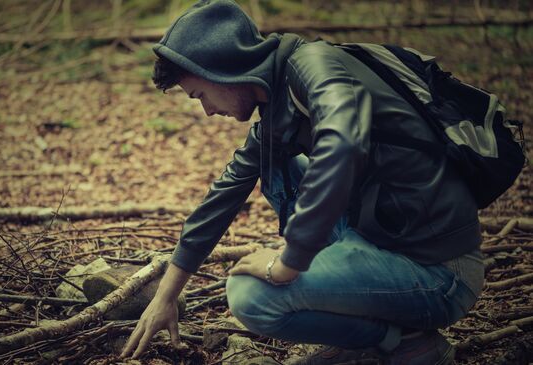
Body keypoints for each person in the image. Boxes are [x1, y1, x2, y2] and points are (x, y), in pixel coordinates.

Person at [120, 1, 485, 364]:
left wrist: (287, 264)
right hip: (383, 240)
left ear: (221, 69)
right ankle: (386, 335)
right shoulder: (277, 107)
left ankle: (403, 342)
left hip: (440, 272)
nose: (208, 110)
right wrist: (166, 294)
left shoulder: (315, 66)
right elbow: (224, 193)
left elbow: (342, 141)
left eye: (199, 95)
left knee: (251, 295)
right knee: (275, 166)